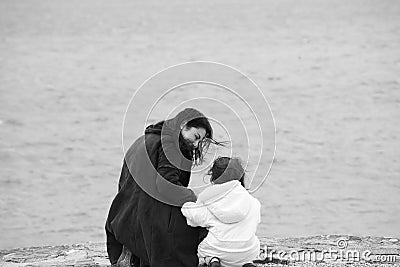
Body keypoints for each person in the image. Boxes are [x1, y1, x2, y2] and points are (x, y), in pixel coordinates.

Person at [105, 108, 217, 267]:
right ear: (183, 125)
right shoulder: (169, 144)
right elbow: (166, 186)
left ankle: (131, 251)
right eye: (196, 137)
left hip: (121, 217)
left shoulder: (144, 139)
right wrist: (194, 198)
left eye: (201, 141)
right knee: (201, 222)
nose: (197, 144)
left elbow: (124, 183)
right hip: (145, 222)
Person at [181, 157, 261, 267]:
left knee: (204, 250)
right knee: (249, 248)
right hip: (246, 250)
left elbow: (195, 217)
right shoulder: (253, 202)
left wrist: (186, 205)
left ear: (213, 177)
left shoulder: (209, 199)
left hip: (218, 249)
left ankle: (212, 260)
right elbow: (255, 222)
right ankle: (247, 264)